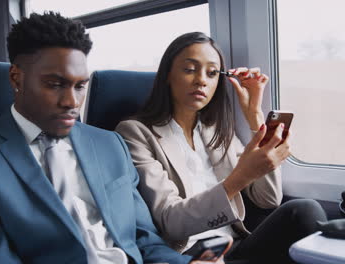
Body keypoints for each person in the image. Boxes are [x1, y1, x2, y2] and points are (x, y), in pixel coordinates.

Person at [0, 13, 221, 264]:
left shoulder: (110, 144)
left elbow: (144, 239)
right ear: (16, 78)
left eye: (80, 85)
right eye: (55, 84)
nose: (72, 101)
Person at [116, 32, 327, 263]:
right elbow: (171, 222)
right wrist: (239, 177)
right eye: (189, 69)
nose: (201, 80)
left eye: (212, 72)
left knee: (304, 210)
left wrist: (255, 117)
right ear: (167, 74)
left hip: (235, 247)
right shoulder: (135, 133)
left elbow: (267, 199)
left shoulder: (215, 131)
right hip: (191, 255)